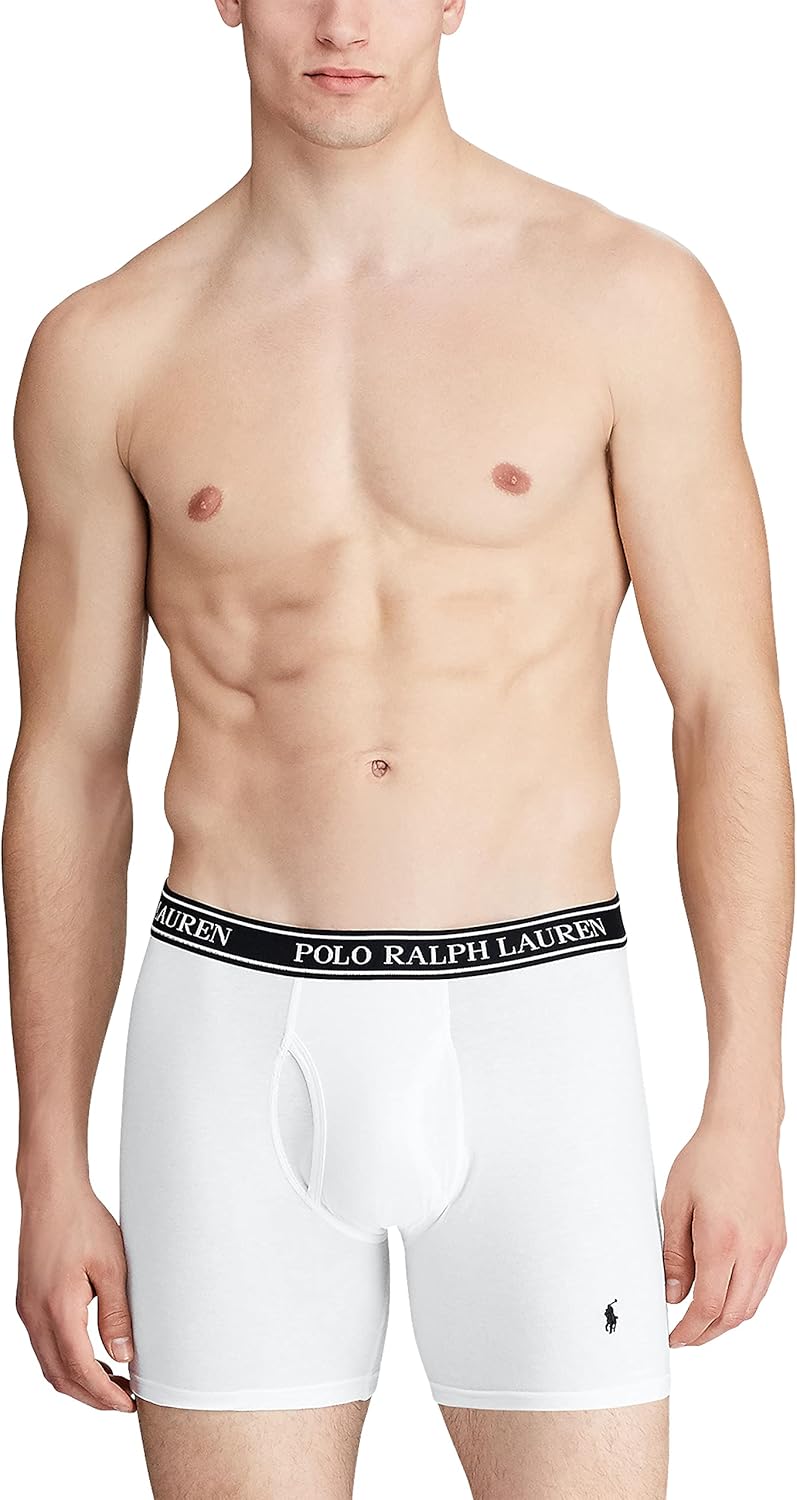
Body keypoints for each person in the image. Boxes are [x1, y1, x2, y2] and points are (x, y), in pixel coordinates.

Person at [5, 2, 792, 1497]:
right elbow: (67, 763)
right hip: (229, 1034)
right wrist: (47, 1157)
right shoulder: (108, 346)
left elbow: (726, 707)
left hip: (540, 1026)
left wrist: (747, 1100)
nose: (344, 20)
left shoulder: (625, 299)